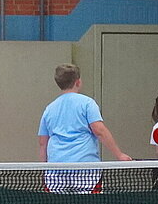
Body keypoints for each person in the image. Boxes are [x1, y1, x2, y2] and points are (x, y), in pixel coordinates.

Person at [38, 64, 132, 192]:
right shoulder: (87, 103)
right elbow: (100, 131)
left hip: (56, 172)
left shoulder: (49, 109)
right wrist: (119, 155)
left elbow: (43, 143)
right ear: (78, 82)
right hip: (86, 171)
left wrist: (44, 169)